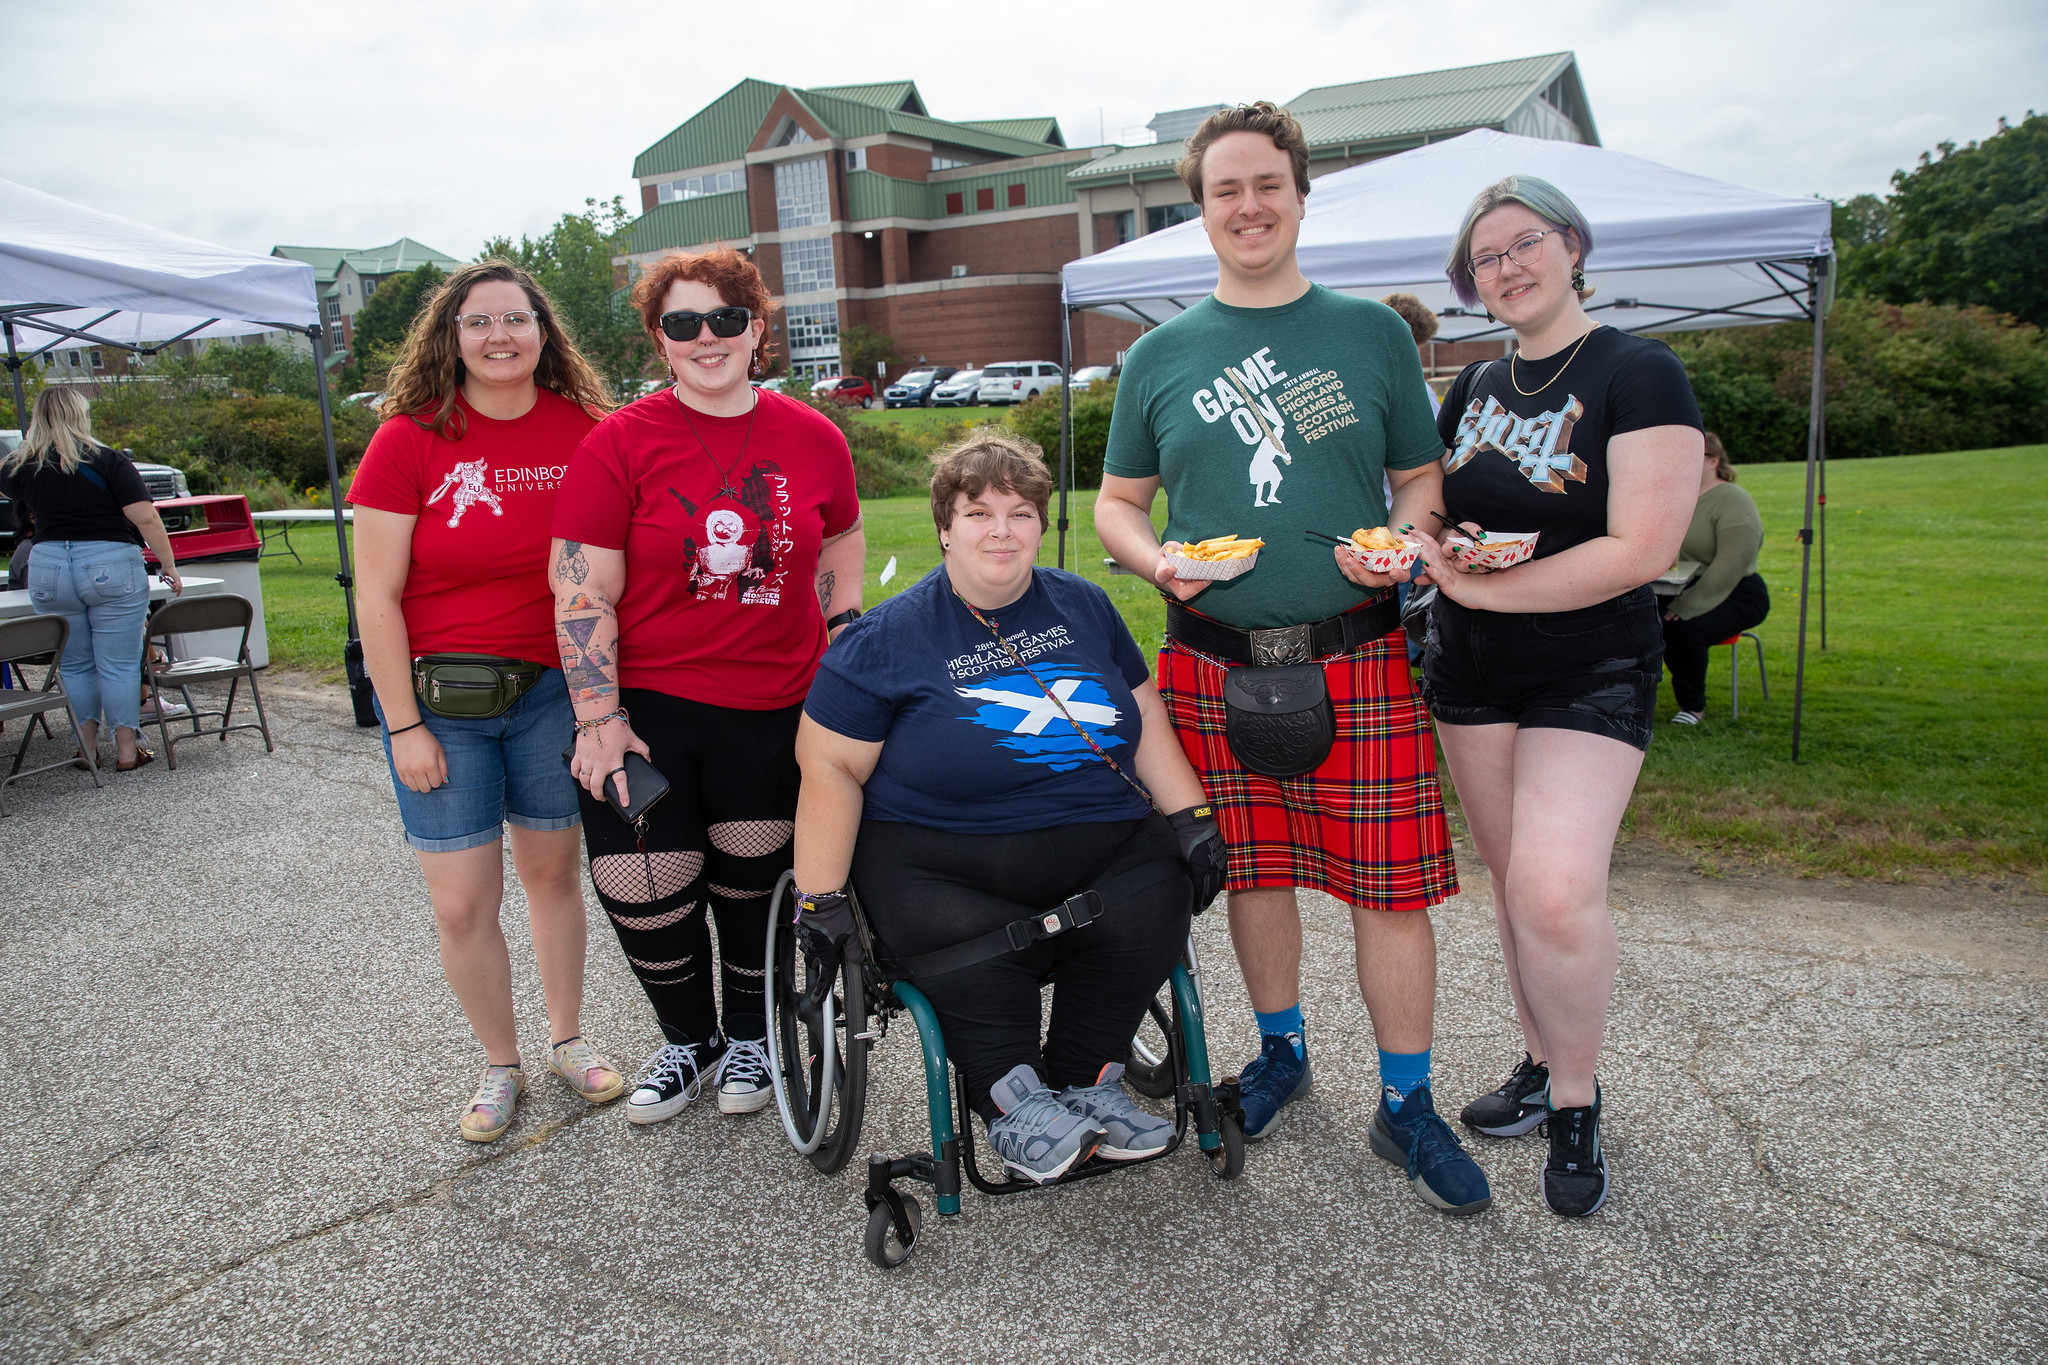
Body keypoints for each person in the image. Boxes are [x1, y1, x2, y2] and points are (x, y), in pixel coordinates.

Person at [1095, 102, 1489, 1216]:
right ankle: (1279, 1053)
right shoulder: (1158, 356)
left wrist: (1408, 543)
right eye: (1225, 189)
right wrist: (1157, 561)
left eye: (1266, 183)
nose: (1248, 205)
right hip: (1210, 661)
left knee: (1389, 891)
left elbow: (1418, 479)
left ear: (1300, 195)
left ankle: (1404, 1104)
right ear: (1201, 208)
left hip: (1354, 653)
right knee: (1255, 873)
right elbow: (1117, 503)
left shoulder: (1368, 332)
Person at [794, 433, 1227, 1183]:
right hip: (946, 865)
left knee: (1158, 886)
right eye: (978, 513)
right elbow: (827, 764)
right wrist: (821, 896)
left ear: (1041, 523)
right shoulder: (884, 641)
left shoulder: (1084, 604)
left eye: (1021, 512)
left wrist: (1190, 819)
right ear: (944, 527)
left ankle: (1088, 1083)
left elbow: (1144, 714)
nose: (1002, 530)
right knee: (965, 943)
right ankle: (1013, 1103)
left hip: (1098, 847)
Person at [1415, 176, 1704, 1217]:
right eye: (1483, 259)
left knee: (1552, 889)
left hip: (1591, 661)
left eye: (1521, 243)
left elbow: (1643, 548)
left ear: (1571, 245)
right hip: (1473, 669)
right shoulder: (1476, 385)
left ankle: (1576, 1098)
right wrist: (1423, 548)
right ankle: (1538, 1060)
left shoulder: (1638, 370)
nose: (1505, 268)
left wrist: (1478, 583)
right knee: (1507, 880)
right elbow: (1442, 510)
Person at [551, 246, 864, 1127]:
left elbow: (839, 538)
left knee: (747, 889)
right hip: (645, 707)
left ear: (757, 329)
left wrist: (841, 634)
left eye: (726, 318)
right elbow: (581, 589)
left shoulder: (814, 436)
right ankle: (687, 1039)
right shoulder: (616, 442)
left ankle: (751, 1037)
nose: (707, 337)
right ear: (660, 339)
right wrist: (597, 717)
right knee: (646, 888)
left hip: (772, 707)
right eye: (683, 323)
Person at [347, 260, 626, 1144]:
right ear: (451, 336)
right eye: (479, 322)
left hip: (555, 697)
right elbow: (375, 597)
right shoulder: (411, 439)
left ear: (545, 331)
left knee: (552, 877)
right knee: (463, 902)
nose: (499, 336)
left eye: (516, 319)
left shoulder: (589, 428)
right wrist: (402, 725)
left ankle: (567, 1038)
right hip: (446, 707)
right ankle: (499, 1065)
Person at [1, 387, 181, 771]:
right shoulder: (108, 461)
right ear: (79, 415)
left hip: (48, 563)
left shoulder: (21, 466)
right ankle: (127, 750)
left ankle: (85, 747)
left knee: (75, 663)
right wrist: (168, 564)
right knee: (118, 662)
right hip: (109, 560)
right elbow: (145, 517)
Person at [1660, 433, 1768, 724]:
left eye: (1696, 456)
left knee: (1684, 629)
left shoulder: (1734, 500)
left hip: (1738, 591)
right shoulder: (1679, 497)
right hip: (1685, 585)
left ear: (1715, 460)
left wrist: (1688, 605)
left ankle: (1692, 707)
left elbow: (1731, 564)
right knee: (1636, 617)